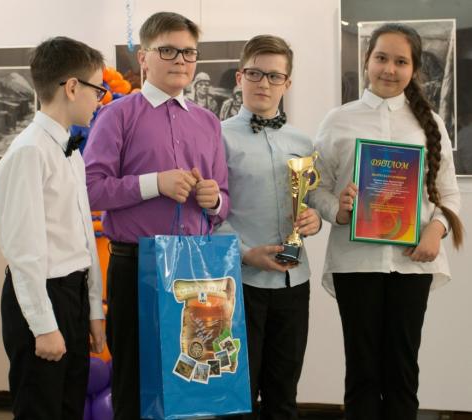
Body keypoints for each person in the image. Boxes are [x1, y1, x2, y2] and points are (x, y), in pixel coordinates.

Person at [309, 23, 463, 420]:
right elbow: (315, 188)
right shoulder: (338, 120)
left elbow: (449, 194)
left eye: (400, 61)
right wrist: (339, 209)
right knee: (361, 373)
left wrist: (436, 230)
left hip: (412, 263)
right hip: (355, 262)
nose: (389, 69)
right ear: (367, 60)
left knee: (402, 373)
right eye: (381, 58)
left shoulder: (430, 123)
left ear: (414, 69)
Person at [83, 12, 229, 420]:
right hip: (137, 267)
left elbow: (224, 202)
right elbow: (90, 188)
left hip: (195, 269)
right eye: (168, 50)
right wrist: (155, 183)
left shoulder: (209, 122)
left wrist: (214, 200)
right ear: (144, 57)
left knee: (193, 382)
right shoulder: (116, 115)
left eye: (188, 52)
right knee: (134, 382)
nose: (180, 60)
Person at [0, 36, 106, 420]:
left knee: (69, 408)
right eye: (97, 89)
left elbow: (83, 236)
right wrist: (42, 325)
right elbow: (23, 251)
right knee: (40, 410)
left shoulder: (69, 150)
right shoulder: (28, 152)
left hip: (73, 295)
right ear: (72, 87)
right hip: (42, 297)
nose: (100, 99)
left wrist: (93, 309)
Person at [218, 34, 321, 419]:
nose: (264, 83)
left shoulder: (303, 141)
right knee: (237, 396)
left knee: (284, 395)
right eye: (255, 74)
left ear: (287, 83)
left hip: (294, 283)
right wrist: (245, 254)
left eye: (274, 76)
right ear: (240, 77)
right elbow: (209, 214)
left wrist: (314, 219)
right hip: (239, 283)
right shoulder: (217, 137)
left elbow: (310, 201)